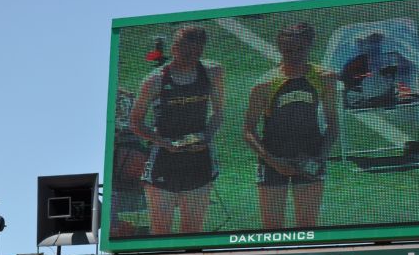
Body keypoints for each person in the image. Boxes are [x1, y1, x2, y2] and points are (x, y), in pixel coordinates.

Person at [130, 26, 224, 234]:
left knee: (192, 234)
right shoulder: (154, 80)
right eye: (186, 51)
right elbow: (135, 122)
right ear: (174, 48)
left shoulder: (212, 72)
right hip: (164, 162)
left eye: (197, 52)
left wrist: (206, 137)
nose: (191, 57)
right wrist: (164, 143)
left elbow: (218, 114)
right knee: (161, 234)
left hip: (199, 161)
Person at [243, 22, 338, 229]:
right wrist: (273, 161)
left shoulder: (325, 79)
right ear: (279, 48)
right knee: (272, 229)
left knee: (307, 227)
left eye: (300, 49)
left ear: (310, 46)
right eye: (288, 50)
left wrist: (319, 158)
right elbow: (248, 130)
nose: (294, 55)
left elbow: (333, 126)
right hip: (273, 159)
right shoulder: (265, 85)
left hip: (310, 157)